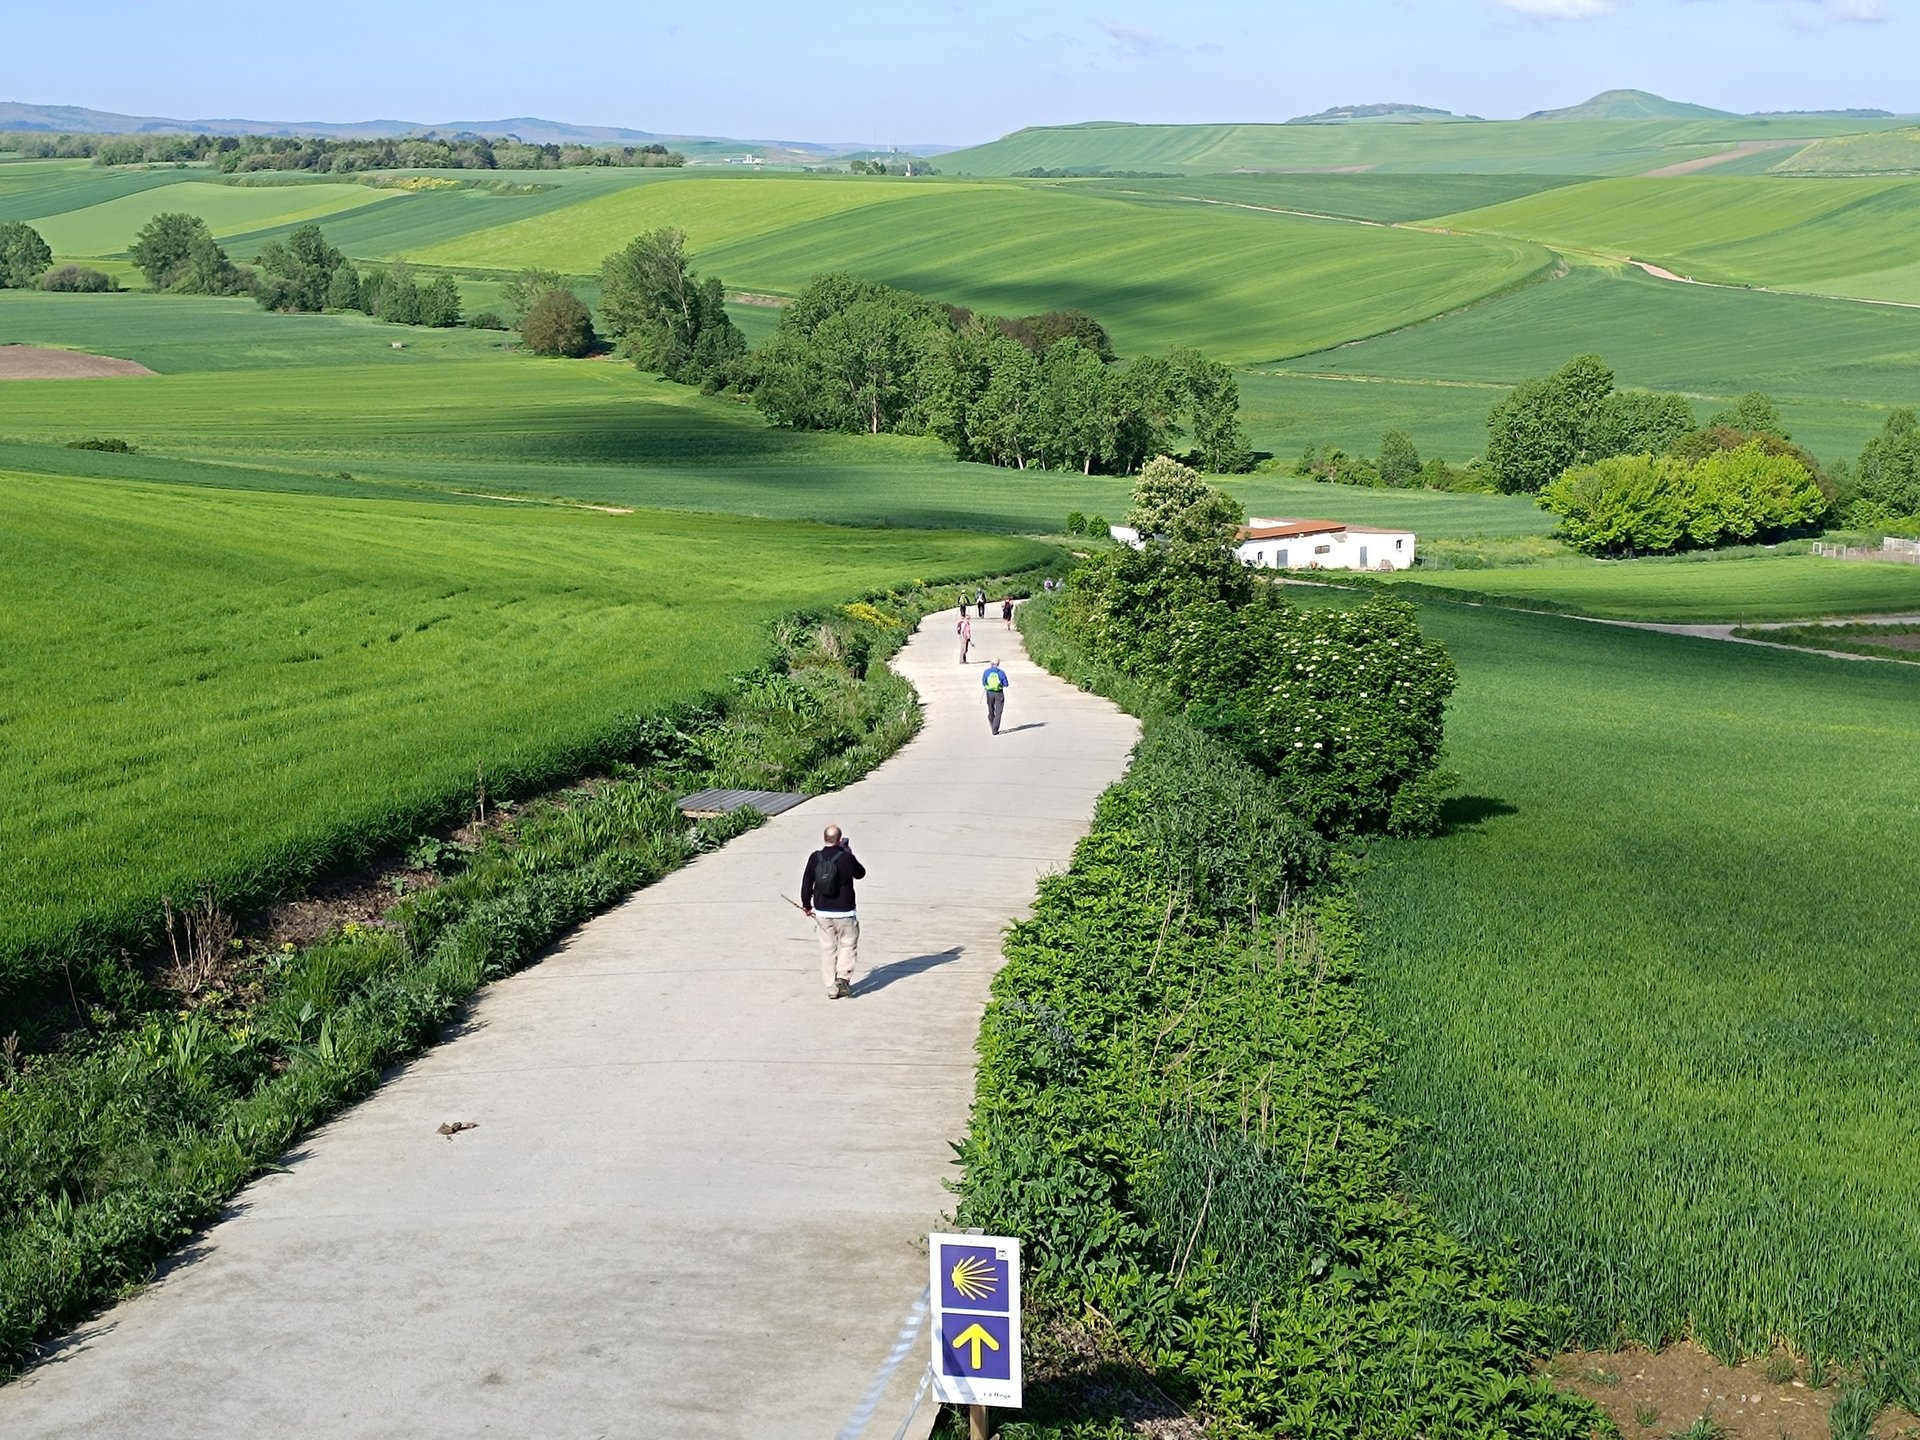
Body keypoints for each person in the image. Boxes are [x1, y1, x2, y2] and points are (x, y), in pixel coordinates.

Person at [800, 824, 865, 999]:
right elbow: (861, 873)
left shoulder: (815, 858)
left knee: (828, 948)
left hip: (822, 912)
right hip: (845, 912)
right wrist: (849, 853)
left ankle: (831, 986)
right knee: (847, 944)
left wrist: (806, 905)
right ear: (839, 839)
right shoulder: (846, 858)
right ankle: (842, 978)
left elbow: (807, 882)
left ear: (824, 838)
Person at [981, 659, 1009, 735]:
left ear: (991, 663)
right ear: (998, 664)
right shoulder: (1001, 673)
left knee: (991, 710)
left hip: (989, 693)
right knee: (998, 712)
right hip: (999, 693)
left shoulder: (986, 672)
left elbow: (984, 683)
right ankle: (995, 729)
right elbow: (1006, 684)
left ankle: (992, 723)